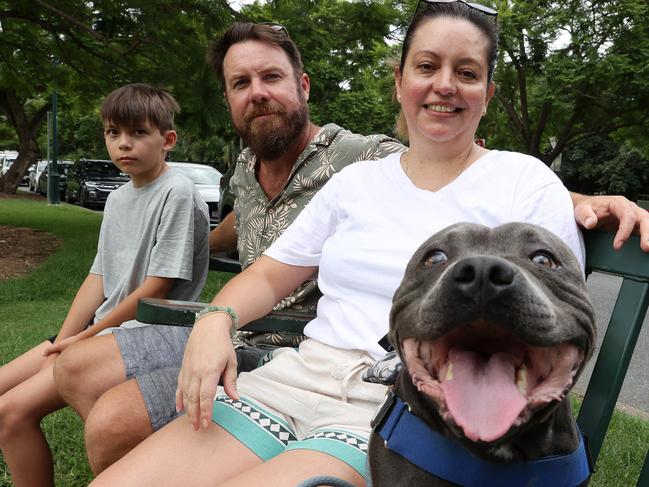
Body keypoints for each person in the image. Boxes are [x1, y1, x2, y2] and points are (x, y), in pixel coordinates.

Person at [89, 6, 647, 487]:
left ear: (488, 94)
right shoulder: (357, 181)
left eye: (467, 72)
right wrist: (216, 319)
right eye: (427, 67)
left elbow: (551, 310)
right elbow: (267, 276)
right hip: (295, 376)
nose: (444, 84)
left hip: (406, 403)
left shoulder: (524, 181)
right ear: (400, 81)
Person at [53, 23, 405, 475]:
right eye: (241, 83)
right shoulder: (245, 165)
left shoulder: (366, 158)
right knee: (74, 367)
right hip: (229, 329)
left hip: (302, 352)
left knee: (112, 422)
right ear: (229, 99)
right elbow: (244, 218)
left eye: (271, 77)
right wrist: (199, 241)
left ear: (303, 86)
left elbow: (425, 194)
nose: (256, 92)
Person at [0, 83, 210, 487]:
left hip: (150, 330)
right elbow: (98, 276)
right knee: (6, 412)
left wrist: (87, 337)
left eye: (138, 133)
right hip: (103, 330)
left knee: (13, 410)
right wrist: (62, 340)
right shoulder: (117, 198)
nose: (123, 144)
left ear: (168, 140)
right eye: (114, 134)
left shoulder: (177, 192)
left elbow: (159, 287)